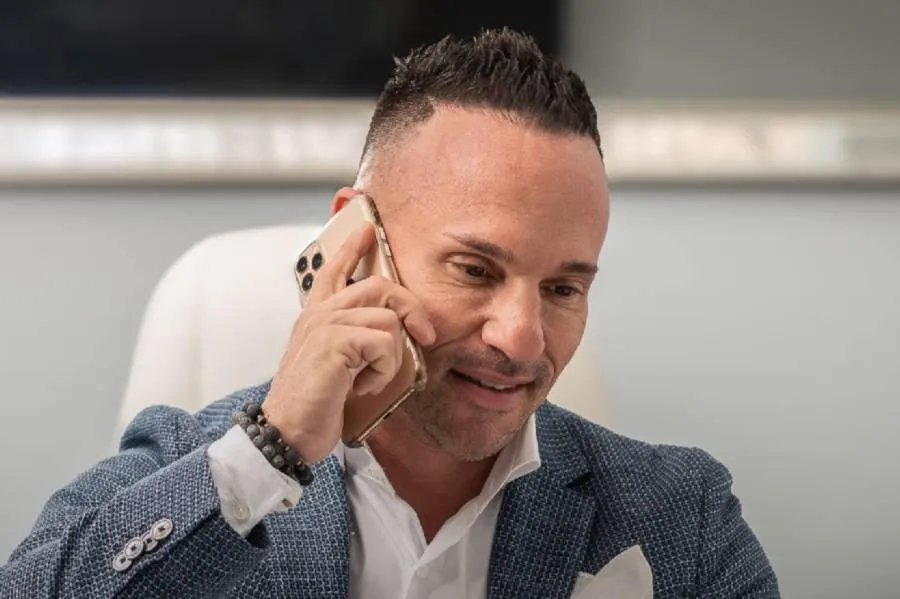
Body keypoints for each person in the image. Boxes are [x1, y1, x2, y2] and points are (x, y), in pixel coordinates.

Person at [0, 28, 779, 599]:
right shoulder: (189, 462)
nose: (522, 337)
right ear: (357, 243)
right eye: (475, 270)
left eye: (563, 289)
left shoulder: (682, 514)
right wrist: (269, 453)